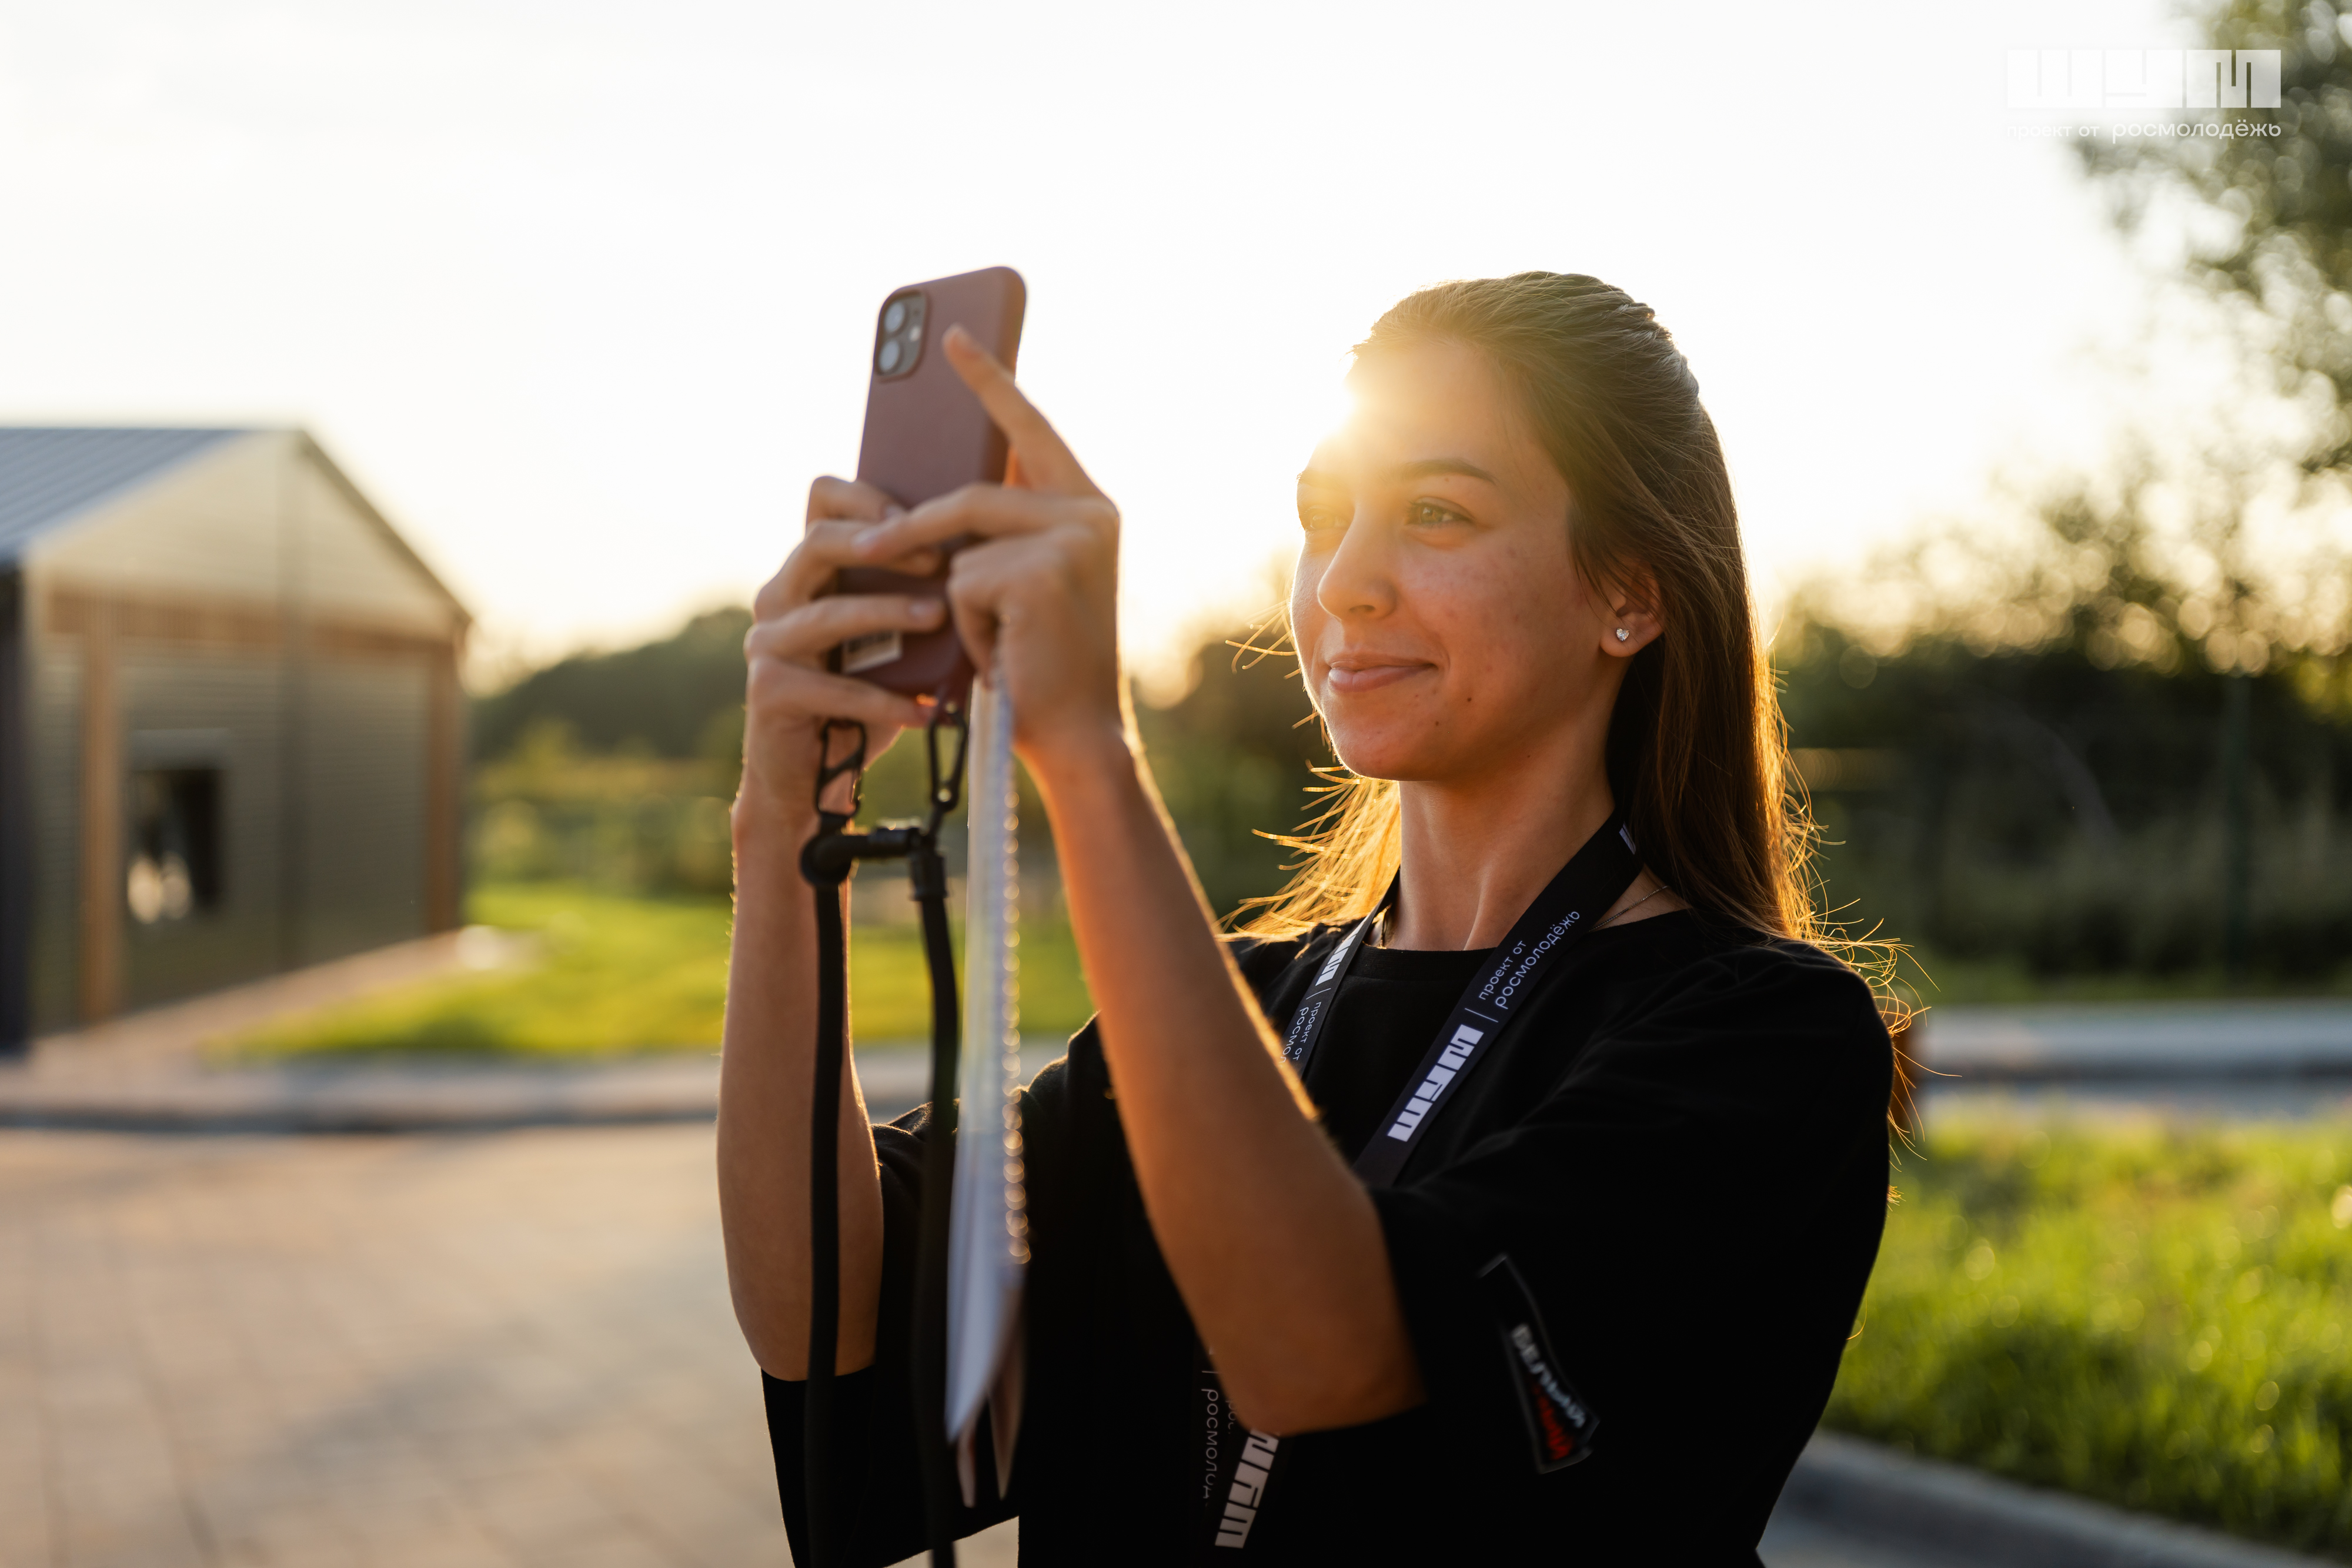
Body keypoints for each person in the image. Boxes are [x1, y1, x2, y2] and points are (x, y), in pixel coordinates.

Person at [717, 272, 1897, 1566]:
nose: (1343, 584)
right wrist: (782, 828)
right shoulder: (1235, 1007)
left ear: (1630, 591)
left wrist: (1088, 753)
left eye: (1435, 512)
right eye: (1321, 516)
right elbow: (823, 1311)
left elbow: (1316, 1349)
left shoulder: (1762, 1040)